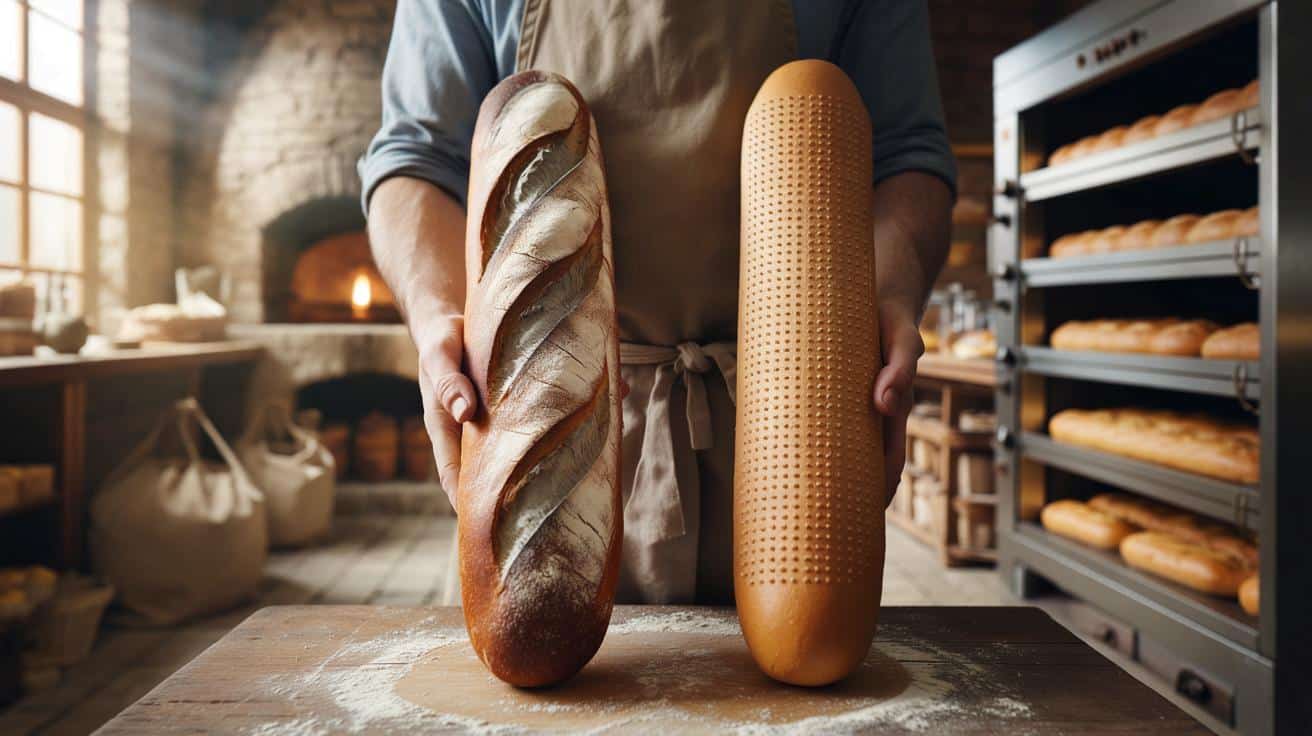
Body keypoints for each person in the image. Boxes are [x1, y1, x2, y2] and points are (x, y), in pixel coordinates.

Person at [360, 0, 955, 604]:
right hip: (545, 416)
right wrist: (438, 311)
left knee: (805, 669)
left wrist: (881, 300)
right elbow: (417, 161)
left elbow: (907, 160)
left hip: (796, 422)